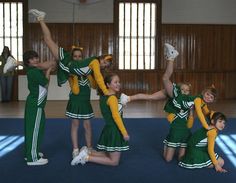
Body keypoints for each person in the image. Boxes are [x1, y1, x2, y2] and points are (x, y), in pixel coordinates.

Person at [28, 9, 112, 96]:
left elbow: (95, 84)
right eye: (104, 62)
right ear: (101, 58)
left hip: (68, 68)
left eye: (106, 65)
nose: (104, 64)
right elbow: (99, 78)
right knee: (48, 41)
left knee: (44, 65)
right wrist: (106, 91)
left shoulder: (91, 68)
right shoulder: (94, 62)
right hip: (67, 61)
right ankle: (41, 18)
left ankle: (19, 63)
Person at [71, 73, 130, 166]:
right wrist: (124, 132)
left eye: (119, 82)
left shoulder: (103, 96)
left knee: (108, 153)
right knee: (114, 162)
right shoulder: (112, 98)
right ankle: (85, 157)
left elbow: (111, 110)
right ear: (108, 85)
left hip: (108, 129)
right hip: (114, 131)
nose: (118, 84)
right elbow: (116, 117)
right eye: (115, 82)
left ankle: (87, 152)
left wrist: (120, 105)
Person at [23, 50, 54, 166]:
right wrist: (49, 70)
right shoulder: (34, 72)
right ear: (28, 61)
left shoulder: (33, 70)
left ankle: (30, 153)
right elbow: (46, 83)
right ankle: (33, 158)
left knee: (32, 130)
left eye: (36, 57)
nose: (35, 60)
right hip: (36, 105)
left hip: (34, 104)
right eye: (32, 59)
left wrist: (47, 68)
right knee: (34, 131)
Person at [66, 46, 96, 159]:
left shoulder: (88, 71)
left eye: (80, 56)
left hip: (86, 102)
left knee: (88, 125)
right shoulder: (71, 72)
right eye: (75, 56)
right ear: (72, 58)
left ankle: (89, 147)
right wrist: (74, 76)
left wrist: (89, 73)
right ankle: (75, 149)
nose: (78, 59)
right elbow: (75, 90)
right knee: (75, 125)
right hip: (75, 101)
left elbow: (94, 86)